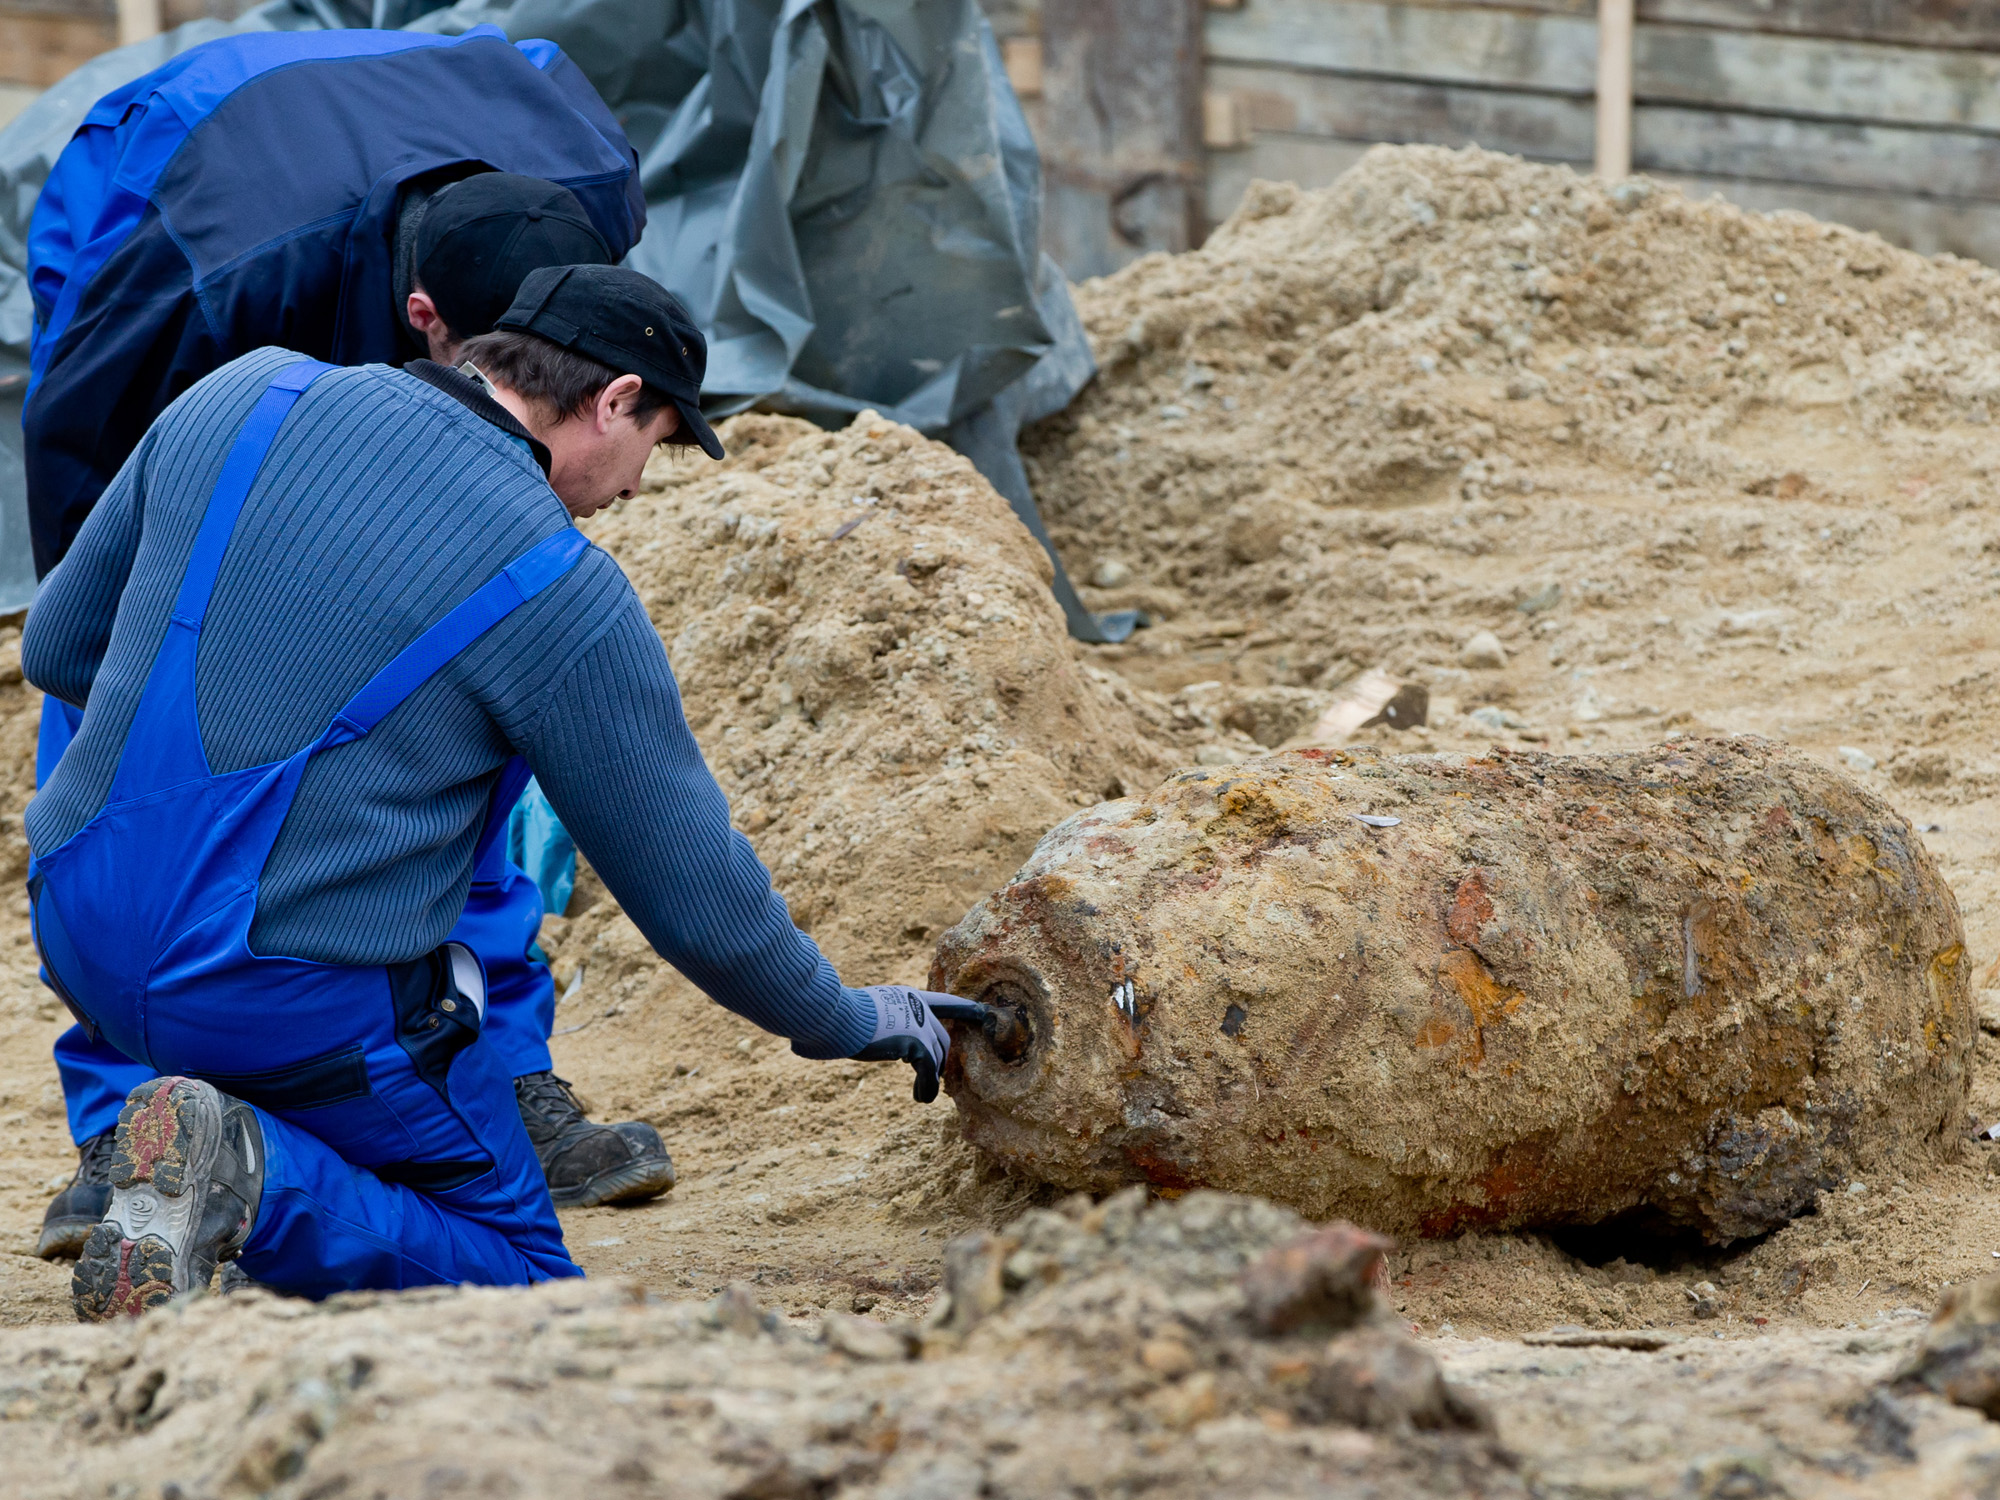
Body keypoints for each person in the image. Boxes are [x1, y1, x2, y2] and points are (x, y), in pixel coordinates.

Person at [26, 263, 961, 1315]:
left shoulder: (245, 392)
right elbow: (694, 899)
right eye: (651, 445)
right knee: (520, 1278)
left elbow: (60, 649)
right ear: (612, 402)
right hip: (280, 996)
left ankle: (195, 1150)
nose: (636, 487)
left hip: (80, 929)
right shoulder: (562, 591)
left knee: (295, 1068)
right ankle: (248, 1170)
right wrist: (843, 1017)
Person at [24, 26, 671, 1259]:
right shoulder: (203, 295)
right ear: (423, 319)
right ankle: (124, 1128)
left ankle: (493, 1066)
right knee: (138, 728)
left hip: (395, 147)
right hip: (146, 193)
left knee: (463, 698)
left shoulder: (586, 188)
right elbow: (81, 551)